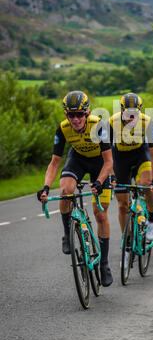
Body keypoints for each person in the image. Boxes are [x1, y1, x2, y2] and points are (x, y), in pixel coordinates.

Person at [37, 90, 114, 287]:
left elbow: (108, 162)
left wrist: (98, 182)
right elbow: (55, 163)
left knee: (101, 214)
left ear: (87, 113)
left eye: (80, 114)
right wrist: (46, 187)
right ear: (66, 115)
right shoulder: (63, 129)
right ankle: (67, 233)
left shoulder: (99, 126)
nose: (76, 119)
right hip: (78, 160)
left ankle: (104, 264)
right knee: (65, 191)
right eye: (71, 115)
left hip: (100, 164)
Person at [109, 93, 153, 247]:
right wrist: (112, 176)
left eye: (135, 114)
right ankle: (127, 240)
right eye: (127, 114)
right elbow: (105, 154)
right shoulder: (112, 122)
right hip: (120, 158)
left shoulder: (147, 122)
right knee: (122, 204)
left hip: (140, 155)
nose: (131, 118)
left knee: (145, 185)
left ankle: (151, 219)